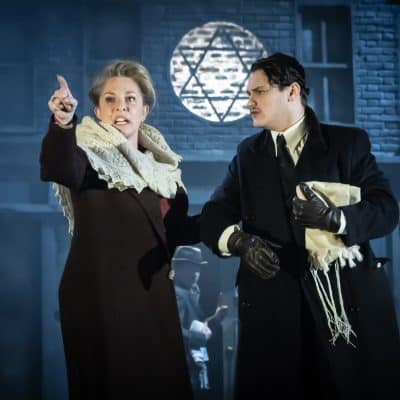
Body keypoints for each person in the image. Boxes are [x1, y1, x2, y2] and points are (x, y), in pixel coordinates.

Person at [200, 52, 400, 399]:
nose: (249, 102)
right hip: (272, 314)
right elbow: (214, 213)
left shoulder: (347, 144)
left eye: (259, 92)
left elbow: (386, 209)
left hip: (341, 308)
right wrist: (239, 242)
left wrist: (336, 218)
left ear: (291, 92)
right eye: (248, 94)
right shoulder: (247, 154)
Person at [40, 60, 200, 400]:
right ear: (98, 111)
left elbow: (175, 231)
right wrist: (63, 123)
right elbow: (60, 166)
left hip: (153, 301)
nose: (120, 108)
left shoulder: (163, 167)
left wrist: (230, 216)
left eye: (130, 99)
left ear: (144, 110)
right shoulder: (88, 154)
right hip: (102, 303)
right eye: (110, 100)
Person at [172, 245, 228, 400]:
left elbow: (196, 323)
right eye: (190, 268)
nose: (195, 273)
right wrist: (198, 337)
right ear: (178, 268)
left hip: (198, 361)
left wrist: (215, 319)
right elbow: (174, 330)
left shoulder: (193, 290)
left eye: (197, 268)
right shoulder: (177, 294)